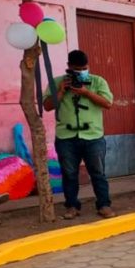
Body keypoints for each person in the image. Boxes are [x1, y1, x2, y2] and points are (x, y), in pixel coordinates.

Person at [43, 50, 116, 219]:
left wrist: (86, 92)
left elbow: (108, 103)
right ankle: (72, 207)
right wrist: (61, 91)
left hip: (93, 136)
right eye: (77, 69)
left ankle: (104, 205)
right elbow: (47, 106)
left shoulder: (97, 81)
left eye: (84, 68)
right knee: (69, 174)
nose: (81, 71)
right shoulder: (57, 82)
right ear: (69, 67)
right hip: (66, 137)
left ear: (88, 66)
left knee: (98, 173)